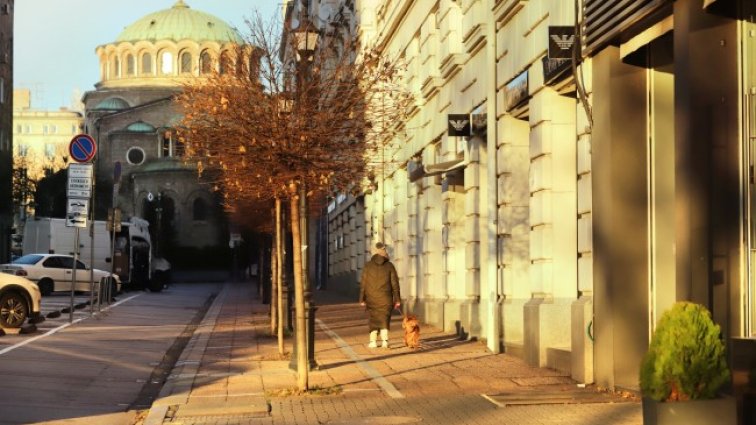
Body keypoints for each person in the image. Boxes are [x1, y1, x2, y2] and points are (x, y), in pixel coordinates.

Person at [359, 242, 401, 348]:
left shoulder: (367, 266)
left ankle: (373, 342)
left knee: (373, 318)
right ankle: (385, 341)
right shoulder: (390, 266)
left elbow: (363, 283)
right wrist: (397, 299)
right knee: (384, 318)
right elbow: (395, 284)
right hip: (386, 298)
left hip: (371, 297)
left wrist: (362, 299)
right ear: (385, 252)